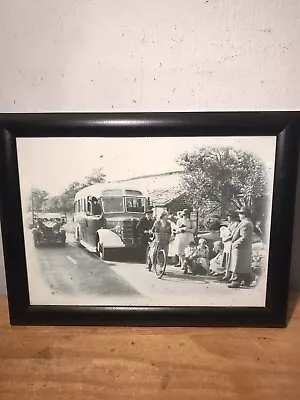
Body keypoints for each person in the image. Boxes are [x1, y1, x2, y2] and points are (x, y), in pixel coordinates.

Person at [228, 206, 255, 288]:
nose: (239, 215)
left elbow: (244, 237)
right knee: (243, 266)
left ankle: (236, 281)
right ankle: (248, 280)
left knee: (238, 265)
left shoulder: (246, 223)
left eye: (241, 213)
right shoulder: (244, 222)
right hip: (243, 249)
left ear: (244, 214)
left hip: (241, 249)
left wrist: (235, 244)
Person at [221, 211, 240, 281]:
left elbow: (233, 235)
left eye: (229, 216)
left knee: (231, 260)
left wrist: (226, 239)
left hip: (231, 242)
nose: (228, 218)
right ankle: (227, 274)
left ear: (232, 217)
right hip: (227, 243)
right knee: (227, 259)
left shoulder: (236, 224)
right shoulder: (230, 224)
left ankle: (232, 275)